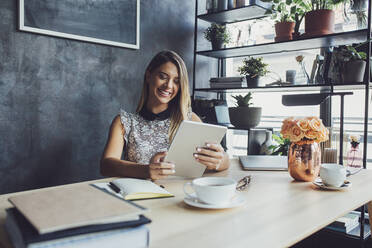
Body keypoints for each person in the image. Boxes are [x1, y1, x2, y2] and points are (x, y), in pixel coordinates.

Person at [100, 50, 230, 180]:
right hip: (139, 196)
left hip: (180, 194)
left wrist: (220, 160)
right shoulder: (124, 122)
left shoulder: (189, 118)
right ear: (149, 75)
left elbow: (225, 161)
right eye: (163, 77)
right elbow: (106, 165)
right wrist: (145, 170)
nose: (169, 86)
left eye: (176, 81)